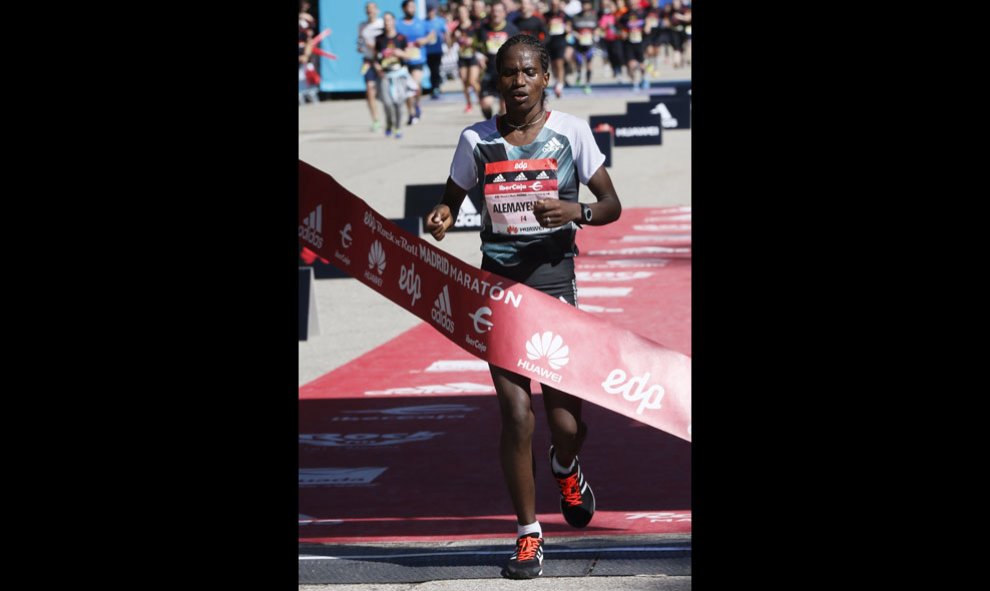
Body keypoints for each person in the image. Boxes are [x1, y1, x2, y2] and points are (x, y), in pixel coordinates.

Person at [424, 33, 622, 580]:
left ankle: (566, 465)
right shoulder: (476, 139)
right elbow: (448, 201)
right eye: (509, 73)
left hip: (555, 285)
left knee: (565, 425)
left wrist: (575, 210)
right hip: (499, 290)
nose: (518, 83)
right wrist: (439, 217)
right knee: (515, 415)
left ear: (546, 75)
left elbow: (611, 205)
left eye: (529, 72)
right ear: (496, 78)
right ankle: (529, 534)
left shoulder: (572, 132)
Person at [475, 2, 519, 120]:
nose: (496, 14)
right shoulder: (483, 29)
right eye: (494, 11)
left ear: (504, 13)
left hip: (506, 73)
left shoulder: (512, 29)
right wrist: (480, 56)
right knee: (485, 104)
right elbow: (477, 46)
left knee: (504, 107)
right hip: (489, 71)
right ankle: (489, 122)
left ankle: (499, 128)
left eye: (499, 11)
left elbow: (518, 49)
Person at [374, 12, 413, 139]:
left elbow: (409, 55)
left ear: (394, 21)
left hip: (399, 74)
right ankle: (389, 124)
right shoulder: (379, 39)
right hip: (385, 75)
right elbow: (375, 58)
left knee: (398, 102)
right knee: (387, 103)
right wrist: (378, 67)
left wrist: (399, 53)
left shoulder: (401, 38)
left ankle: (397, 127)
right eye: (385, 20)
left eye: (389, 20)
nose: (387, 23)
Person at [396, 0, 433, 125]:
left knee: (415, 85)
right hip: (403, 60)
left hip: (418, 59)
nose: (412, 9)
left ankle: (417, 104)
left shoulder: (421, 23)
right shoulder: (398, 24)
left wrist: (425, 40)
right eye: (410, 7)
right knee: (407, 88)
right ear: (404, 9)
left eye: (414, 6)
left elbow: (432, 35)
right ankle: (411, 113)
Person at [358, 2, 385, 131]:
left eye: (372, 9)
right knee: (369, 89)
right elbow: (360, 42)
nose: (370, 12)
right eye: (367, 9)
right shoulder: (362, 26)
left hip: (383, 62)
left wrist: (374, 47)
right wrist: (361, 47)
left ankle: (393, 117)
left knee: (386, 92)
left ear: (377, 11)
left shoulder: (382, 24)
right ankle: (376, 120)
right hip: (368, 61)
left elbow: (387, 44)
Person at [451, 4, 482, 113]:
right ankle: (469, 104)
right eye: (460, 13)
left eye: (464, 12)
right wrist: (456, 37)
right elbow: (451, 43)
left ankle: (480, 99)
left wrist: (472, 41)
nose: (462, 15)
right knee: (464, 82)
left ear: (467, 13)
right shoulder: (457, 28)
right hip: (462, 57)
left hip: (473, 56)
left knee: (472, 81)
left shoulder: (474, 26)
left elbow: (480, 40)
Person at [424, 1, 449, 100]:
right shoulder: (424, 22)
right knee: (431, 70)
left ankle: (436, 87)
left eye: (431, 11)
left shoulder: (440, 21)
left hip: (438, 50)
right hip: (427, 51)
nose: (430, 13)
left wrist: (448, 44)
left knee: (436, 69)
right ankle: (434, 87)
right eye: (428, 11)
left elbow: (446, 33)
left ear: (434, 11)